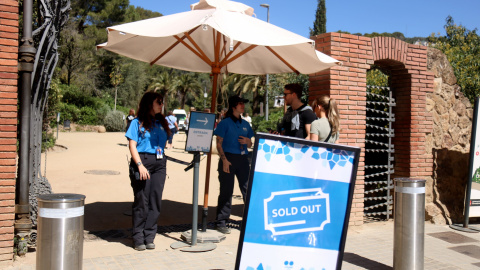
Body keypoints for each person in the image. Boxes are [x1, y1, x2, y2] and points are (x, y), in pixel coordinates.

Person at [125, 91, 171, 251]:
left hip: (159, 163)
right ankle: (138, 238)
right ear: (149, 103)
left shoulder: (162, 122)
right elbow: (132, 145)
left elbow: (165, 143)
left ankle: (149, 236)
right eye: (158, 101)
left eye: (162, 101)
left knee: (155, 201)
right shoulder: (137, 122)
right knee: (141, 202)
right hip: (142, 162)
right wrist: (139, 165)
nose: (161, 104)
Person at [214, 95, 254, 234]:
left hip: (243, 159)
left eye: (243, 103)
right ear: (233, 106)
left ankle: (251, 221)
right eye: (240, 103)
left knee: (247, 190)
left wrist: (248, 142)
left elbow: (251, 142)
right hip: (228, 159)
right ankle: (221, 222)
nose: (243, 106)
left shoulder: (245, 124)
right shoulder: (224, 123)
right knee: (226, 191)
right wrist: (224, 160)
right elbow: (218, 144)